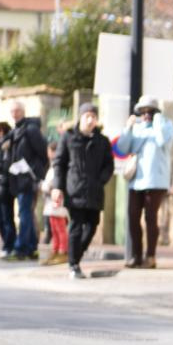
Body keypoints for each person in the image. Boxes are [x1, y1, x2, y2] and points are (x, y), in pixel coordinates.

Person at [52, 103, 114, 279]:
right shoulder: (69, 138)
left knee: (92, 227)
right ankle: (74, 264)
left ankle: (75, 256)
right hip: (75, 189)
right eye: (87, 115)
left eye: (93, 116)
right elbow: (59, 163)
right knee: (76, 227)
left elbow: (109, 165)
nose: (90, 119)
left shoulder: (102, 141)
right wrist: (58, 187)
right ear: (80, 117)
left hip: (94, 191)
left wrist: (101, 180)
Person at [117, 95, 173, 269]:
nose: (146, 115)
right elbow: (122, 148)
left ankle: (150, 256)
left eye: (150, 111)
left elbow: (161, 139)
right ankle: (136, 255)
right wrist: (127, 128)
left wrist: (157, 120)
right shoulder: (136, 129)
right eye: (143, 112)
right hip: (136, 181)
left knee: (151, 218)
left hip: (156, 181)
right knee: (133, 217)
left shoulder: (166, 126)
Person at [6, 100, 48, 262]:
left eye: (17, 111)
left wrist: (35, 172)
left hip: (28, 179)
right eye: (12, 111)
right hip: (18, 178)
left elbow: (42, 153)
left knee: (24, 213)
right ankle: (31, 248)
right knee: (26, 213)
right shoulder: (17, 130)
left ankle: (21, 249)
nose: (14, 114)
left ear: (23, 111)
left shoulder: (30, 129)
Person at [40, 141, 69, 266]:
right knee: (54, 229)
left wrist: (44, 186)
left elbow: (54, 183)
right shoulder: (53, 166)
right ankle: (55, 250)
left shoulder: (60, 167)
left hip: (58, 203)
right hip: (51, 203)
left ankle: (63, 251)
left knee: (60, 229)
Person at [0, 121, 16, 258]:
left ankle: (9, 246)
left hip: (6, 187)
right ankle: (7, 245)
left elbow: (4, 167)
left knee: (7, 218)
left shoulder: (7, 147)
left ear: (1, 132)